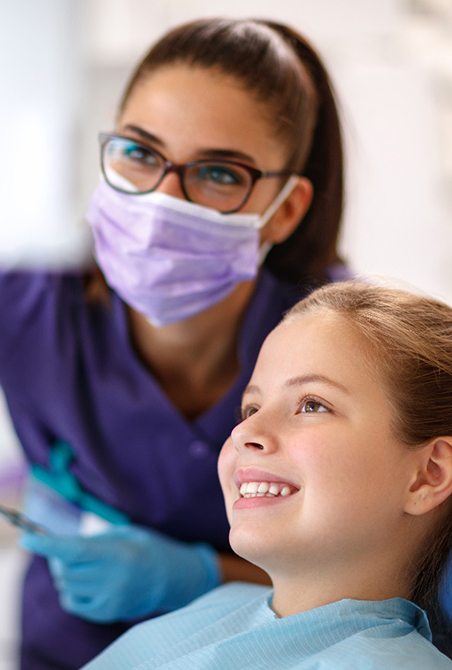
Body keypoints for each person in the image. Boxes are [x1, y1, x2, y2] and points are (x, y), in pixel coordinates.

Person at [0, 17, 346, 670]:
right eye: (139, 152)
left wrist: (206, 576)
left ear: (288, 208)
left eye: (217, 173)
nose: (161, 201)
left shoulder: (342, 344)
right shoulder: (29, 308)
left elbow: (385, 575)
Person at [79, 280, 452, 669]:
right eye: (251, 409)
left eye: (312, 405)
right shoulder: (220, 606)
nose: (244, 433)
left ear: (428, 474)